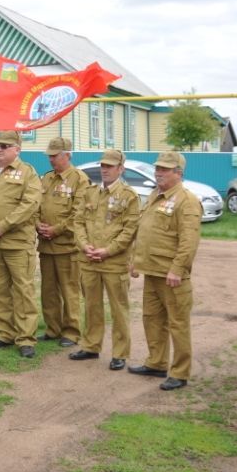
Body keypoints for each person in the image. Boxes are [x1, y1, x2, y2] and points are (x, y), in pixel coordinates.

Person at [128, 151, 201, 390]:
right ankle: (156, 362)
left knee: (177, 323)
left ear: (178, 173)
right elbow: (145, 231)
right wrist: (135, 260)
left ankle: (180, 372)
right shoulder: (154, 196)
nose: (158, 172)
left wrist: (178, 269)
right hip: (152, 271)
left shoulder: (186, 200)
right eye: (157, 168)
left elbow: (188, 240)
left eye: (164, 169)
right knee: (152, 319)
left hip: (172, 275)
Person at [71, 149, 140, 370]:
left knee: (118, 309)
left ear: (121, 168)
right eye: (103, 165)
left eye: (110, 166)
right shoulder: (90, 192)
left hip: (113, 262)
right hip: (89, 260)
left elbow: (129, 231)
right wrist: (84, 246)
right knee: (91, 305)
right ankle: (91, 345)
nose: (105, 170)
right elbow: (78, 222)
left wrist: (107, 251)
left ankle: (120, 353)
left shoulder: (129, 196)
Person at [0, 130, 42, 358]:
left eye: (5, 146)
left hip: (16, 243)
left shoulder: (28, 174)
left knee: (23, 290)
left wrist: (1, 226)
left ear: (17, 149)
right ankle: (4, 333)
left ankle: (25, 338)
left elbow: (29, 205)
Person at [37, 137, 91, 347]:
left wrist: (56, 229)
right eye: (50, 156)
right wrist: (37, 225)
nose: (51, 160)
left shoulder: (80, 179)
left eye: (55, 156)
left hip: (67, 247)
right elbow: (37, 206)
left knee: (70, 290)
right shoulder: (47, 178)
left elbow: (79, 214)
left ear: (67, 155)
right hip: (46, 245)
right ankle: (53, 328)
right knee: (48, 290)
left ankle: (71, 331)